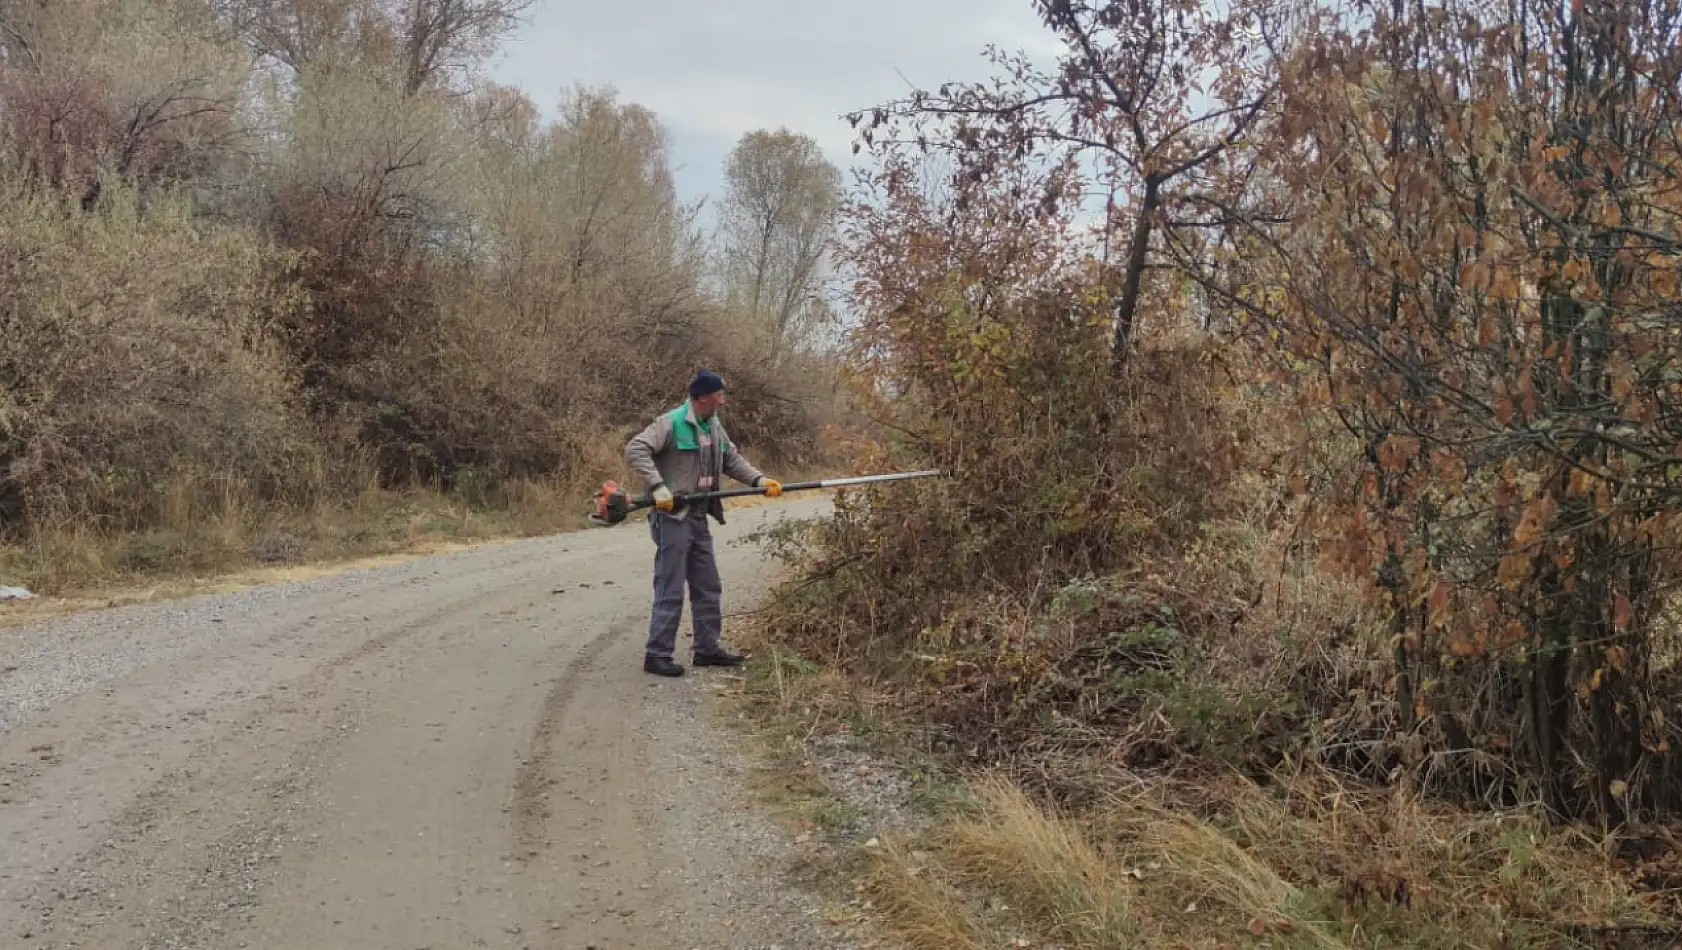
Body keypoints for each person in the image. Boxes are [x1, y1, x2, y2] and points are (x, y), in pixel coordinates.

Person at [625, 369, 782, 677]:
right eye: (717, 396)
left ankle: (706, 650)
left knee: (708, 585)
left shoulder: (714, 426)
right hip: (672, 517)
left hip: (698, 516)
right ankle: (657, 654)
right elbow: (636, 449)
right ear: (701, 398)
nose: (722, 401)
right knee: (670, 587)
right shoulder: (670, 423)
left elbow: (731, 460)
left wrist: (759, 480)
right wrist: (658, 487)